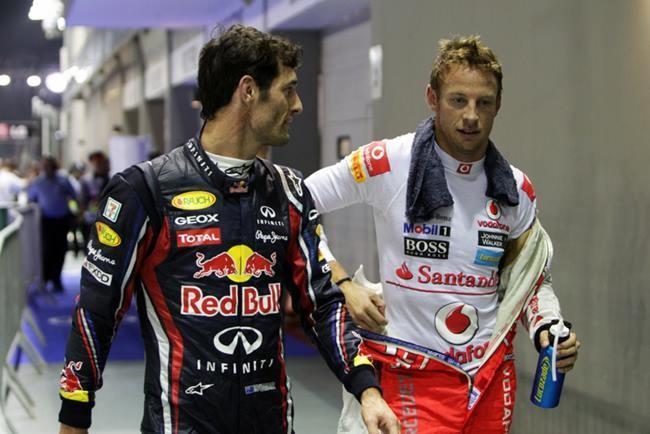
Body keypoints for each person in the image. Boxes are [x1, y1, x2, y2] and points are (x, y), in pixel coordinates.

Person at [58, 25, 398, 434]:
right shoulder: (144, 190)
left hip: (271, 423)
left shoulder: (289, 191)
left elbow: (322, 303)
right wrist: (74, 416)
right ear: (248, 90)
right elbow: (97, 310)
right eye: (289, 90)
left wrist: (367, 390)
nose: (298, 105)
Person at [305, 35, 581, 433]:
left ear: (498, 106)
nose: (471, 116)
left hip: (488, 379)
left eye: (483, 103)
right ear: (432, 98)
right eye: (458, 100)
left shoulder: (516, 189)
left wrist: (547, 328)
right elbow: (296, 205)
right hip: (409, 374)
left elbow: (532, 281)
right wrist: (341, 283)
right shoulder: (388, 162)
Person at [28, 156, 77, 292]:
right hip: (46, 220)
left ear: (55, 167)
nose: (48, 168)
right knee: (46, 250)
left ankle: (57, 279)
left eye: (50, 165)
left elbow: (73, 196)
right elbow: (31, 199)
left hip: (62, 219)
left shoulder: (63, 180)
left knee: (60, 249)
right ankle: (45, 278)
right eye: (45, 166)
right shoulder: (38, 182)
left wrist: (75, 211)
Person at [79, 150, 111, 248]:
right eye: (95, 162)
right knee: (89, 246)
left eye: (100, 162)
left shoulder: (112, 180)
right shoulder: (86, 180)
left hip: (106, 222)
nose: (98, 165)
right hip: (90, 220)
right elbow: (82, 200)